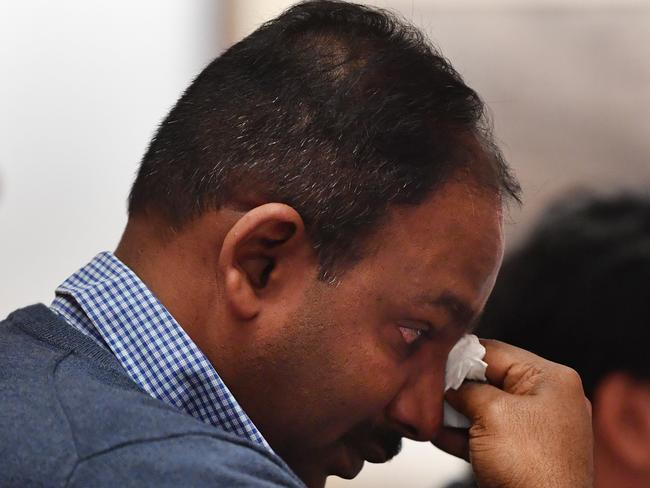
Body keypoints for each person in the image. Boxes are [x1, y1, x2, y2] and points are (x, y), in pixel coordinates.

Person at [0, 2, 593, 487]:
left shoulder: (30, 384)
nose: (422, 416)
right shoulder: (166, 471)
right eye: (415, 334)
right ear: (260, 262)